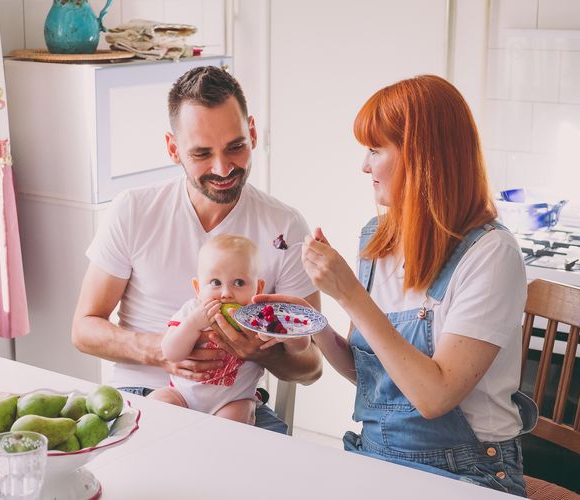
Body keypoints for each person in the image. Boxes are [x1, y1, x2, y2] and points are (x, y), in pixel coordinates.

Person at [258, 75, 537, 495]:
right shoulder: (377, 238)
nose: (364, 166)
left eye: (375, 149)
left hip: (467, 473)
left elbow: (433, 396)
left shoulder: (492, 255)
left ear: (421, 156)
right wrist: (311, 322)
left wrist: (347, 292)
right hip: (375, 458)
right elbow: (372, 374)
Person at [71, 66, 322, 433]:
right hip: (144, 393)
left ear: (252, 132)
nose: (223, 168)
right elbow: (83, 329)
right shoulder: (135, 210)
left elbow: (312, 366)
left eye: (236, 146)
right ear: (174, 149)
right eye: (202, 153)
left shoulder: (284, 226)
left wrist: (260, 351)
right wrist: (162, 350)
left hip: (233, 400)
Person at [151, 234, 311, 424]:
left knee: (236, 415)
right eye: (216, 283)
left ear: (258, 288)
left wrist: (291, 335)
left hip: (232, 401)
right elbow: (171, 353)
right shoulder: (191, 311)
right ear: (197, 288)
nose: (226, 294)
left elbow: (301, 347)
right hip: (183, 397)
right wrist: (192, 325)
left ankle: (218, 448)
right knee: (158, 402)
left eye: (239, 283)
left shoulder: (259, 317)